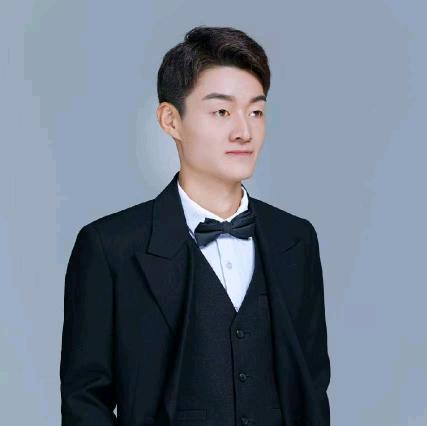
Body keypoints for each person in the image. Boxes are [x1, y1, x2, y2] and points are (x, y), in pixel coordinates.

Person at [60, 25, 331, 426]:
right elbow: (84, 402)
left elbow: (313, 386)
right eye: (222, 112)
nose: (244, 131)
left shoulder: (296, 239)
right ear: (171, 120)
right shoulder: (109, 248)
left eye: (256, 112)